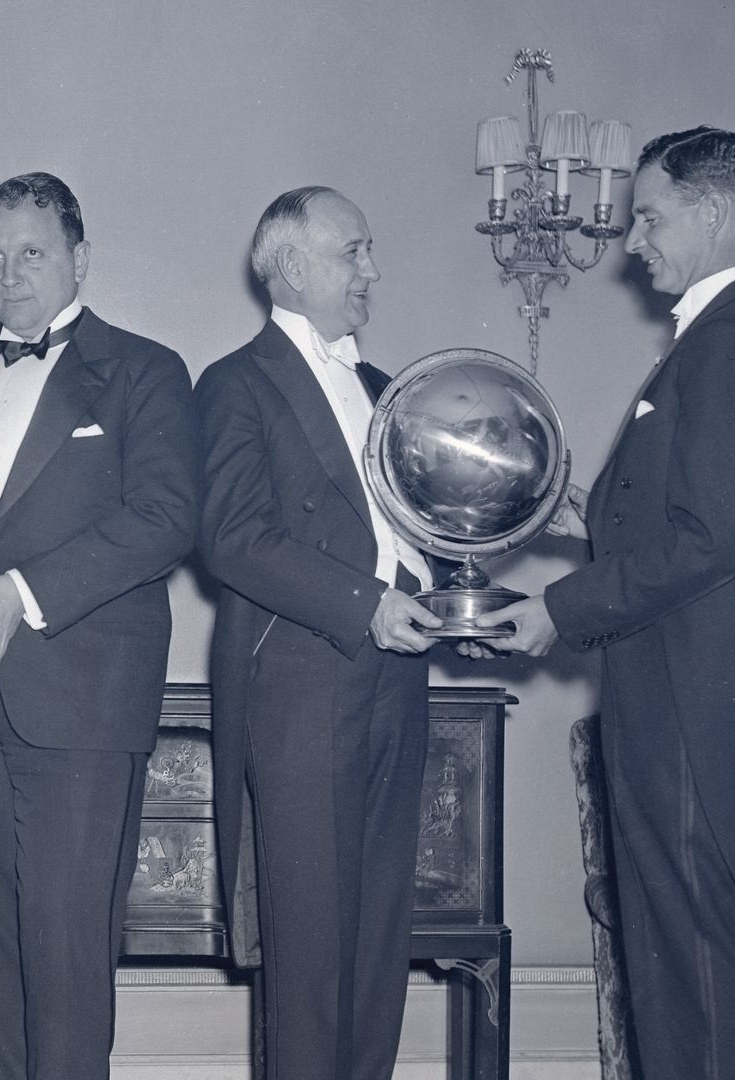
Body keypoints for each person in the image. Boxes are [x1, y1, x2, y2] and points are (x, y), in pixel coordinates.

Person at [475, 127, 735, 1078]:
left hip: (695, 709)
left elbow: (710, 539)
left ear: (713, 213)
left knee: (695, 981)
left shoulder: (732, 342)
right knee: (678, 977)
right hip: (685, 691)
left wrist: (560, 608)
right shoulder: (726, 335)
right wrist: (588, 512)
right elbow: (699, 518)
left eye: (650, 216)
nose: (633, 241)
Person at [0, 172, 199, 1079]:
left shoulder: (145, 372)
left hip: (79, 708)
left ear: (80, 258)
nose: (9, 273)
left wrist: (21, 593)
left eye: (31, 252)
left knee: (68, 971)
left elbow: (165, 519)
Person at [195, 186, 442, 1080]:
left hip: (394, 684)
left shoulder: (384, 389)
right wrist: (368, 602)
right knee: (308, 958)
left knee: (379, 946)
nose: (372, 269)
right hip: (300, 685)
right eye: (355, 251)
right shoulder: (233, 384)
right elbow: (232, 539)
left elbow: (421, 532)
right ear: (292, 267)